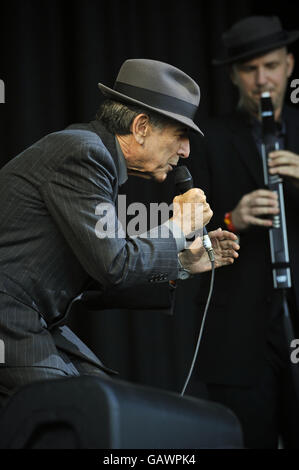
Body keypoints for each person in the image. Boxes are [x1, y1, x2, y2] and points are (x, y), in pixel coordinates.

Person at [0, 59, 239, 407]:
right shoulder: (83, 153)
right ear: (141, 126)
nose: (186, 150)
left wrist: (183, 262)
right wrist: (179, 225)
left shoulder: (94, 155)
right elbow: (114, 265)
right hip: (10, 316)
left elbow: (96, 275)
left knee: (110, 403)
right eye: (179, 134)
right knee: (86, 414)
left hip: (28, 319)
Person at [189, 16, 299, 448]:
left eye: (270, 66)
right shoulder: (207, 139)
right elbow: (185, 239)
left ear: (289, 65)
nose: (261, 80)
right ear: (233, 75)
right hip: (239, 334)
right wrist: (232, 219)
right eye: (249, 70)